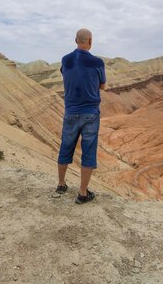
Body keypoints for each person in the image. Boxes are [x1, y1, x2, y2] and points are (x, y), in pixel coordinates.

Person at [56, 28, 106, 204]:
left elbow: (66, 74)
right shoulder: (97, 62)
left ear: (75, 40)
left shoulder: (65, 59)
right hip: (90, 114)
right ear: (90, 41)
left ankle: (61, 184)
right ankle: (83, 193)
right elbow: (102, 86)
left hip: (70, 111)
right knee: (89, 151)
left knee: (66, 147)